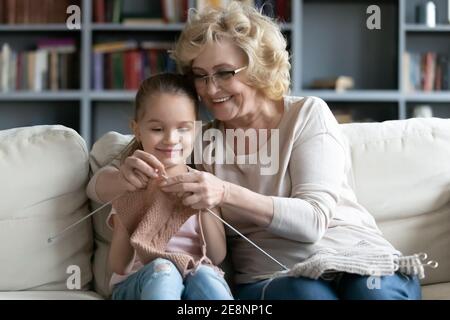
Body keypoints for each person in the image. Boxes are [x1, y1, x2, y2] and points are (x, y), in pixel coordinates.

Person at [87, 2, 422, 300]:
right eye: (200, 76)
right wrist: (123, 179)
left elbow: (312, 222)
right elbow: (97, 182)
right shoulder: (197, 139)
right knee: (308, 294)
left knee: (373, 292)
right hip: (274, 274)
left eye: (224, 73)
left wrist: (224, 192)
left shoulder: (306, 115)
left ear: (259, 67)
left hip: (356, 255)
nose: (210, 89)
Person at [104, 73, 233, 300]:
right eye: (157, 129)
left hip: (193, 276)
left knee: (207, 276)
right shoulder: (132, 184)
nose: (171, 139)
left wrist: (206, 205)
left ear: (196, 129)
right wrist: (128, 204)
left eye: (183, 128)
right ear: (137, 129)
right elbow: (119, 266)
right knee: (164, 270)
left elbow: (216, 254)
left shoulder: (203, 183)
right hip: (139, 282)